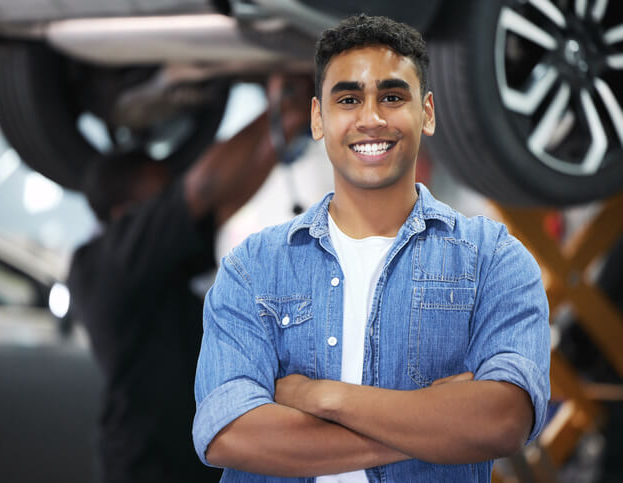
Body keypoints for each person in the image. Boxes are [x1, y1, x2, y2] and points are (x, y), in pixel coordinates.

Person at [193, 14, 551, 482]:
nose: (371, 118)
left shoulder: (494, 261)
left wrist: (325, 398)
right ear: (319, 119)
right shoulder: (253, 267)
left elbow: (504, 420)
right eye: (348, 99)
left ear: (427, 112)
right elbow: (229, 435)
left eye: (392, 96)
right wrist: (435, 422)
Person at [67, 77, 310, 483]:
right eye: (160, 193)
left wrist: (287, 125)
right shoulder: (109, 259)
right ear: (127, 209)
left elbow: (222, 200)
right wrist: (275, 111)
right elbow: (205, 188)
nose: (172, 199)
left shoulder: (148, 260)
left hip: (179, 454)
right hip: (148, 463)